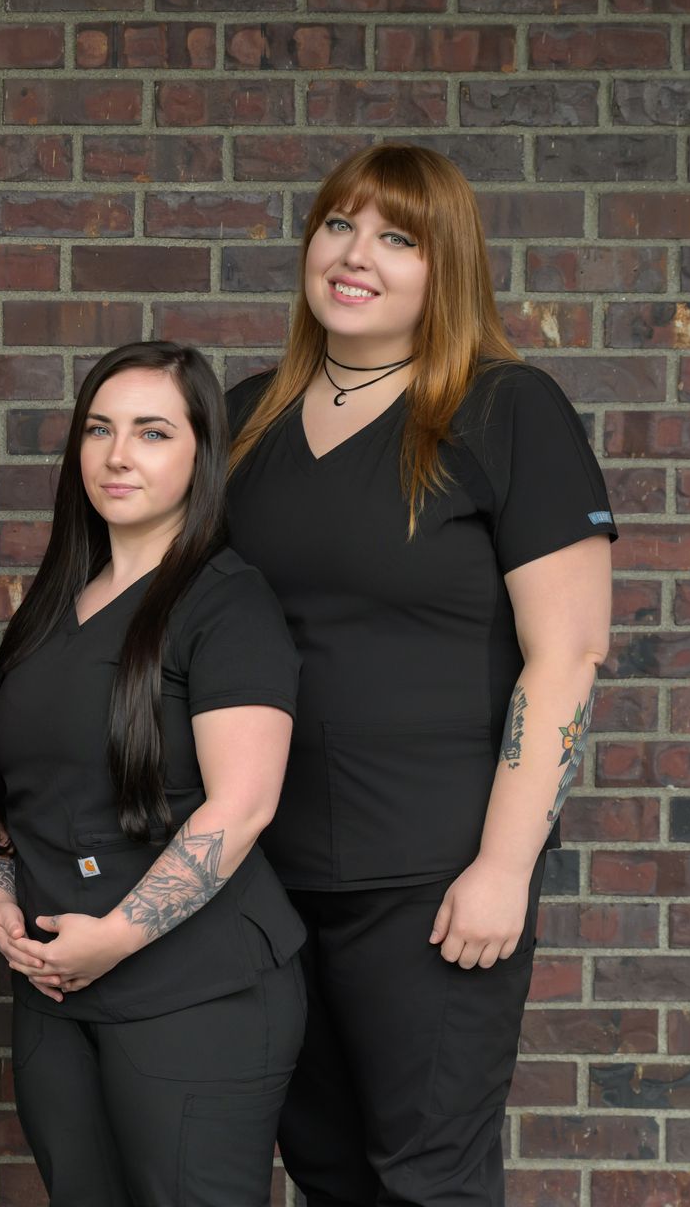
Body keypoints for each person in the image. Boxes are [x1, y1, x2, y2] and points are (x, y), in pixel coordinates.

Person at [224, 143, 616, 1206]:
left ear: (448, 270)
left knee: (427, 1179)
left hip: (433, 877)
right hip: (267, 875)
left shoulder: (504, 409)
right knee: (326, 1171)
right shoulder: (246, 417)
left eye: (398, 238)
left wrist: (503, 864)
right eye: (339, 225)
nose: (357, 255)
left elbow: (569, 654)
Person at [0, 341, 306, 1206]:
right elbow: (12, 786)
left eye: (153, 433)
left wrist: (116, 936)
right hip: (55, 995)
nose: (118, 455)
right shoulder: (53, 602)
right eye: (100, 430)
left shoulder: (228, 604)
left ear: (203, 454)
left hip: (197, 996)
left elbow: (244, 803)